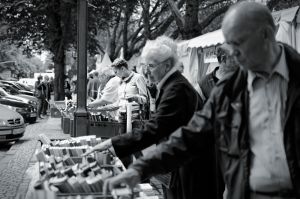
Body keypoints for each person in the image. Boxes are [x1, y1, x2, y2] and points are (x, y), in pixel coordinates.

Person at [101, 2, 300, 199]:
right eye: (228, 43)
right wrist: (140, 169)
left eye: (237, 43)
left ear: (266, 34)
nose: (231, 51)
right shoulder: (228, 90)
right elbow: (191, 135)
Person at [83, 37, 221, 199]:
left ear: (167, 65)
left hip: (189, 168)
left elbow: (156, 128)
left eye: (151, 66)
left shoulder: (176, 89)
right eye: (144, 66)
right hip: (179, 163)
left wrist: (113, 143)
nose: (145, 71)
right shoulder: (171, 85)